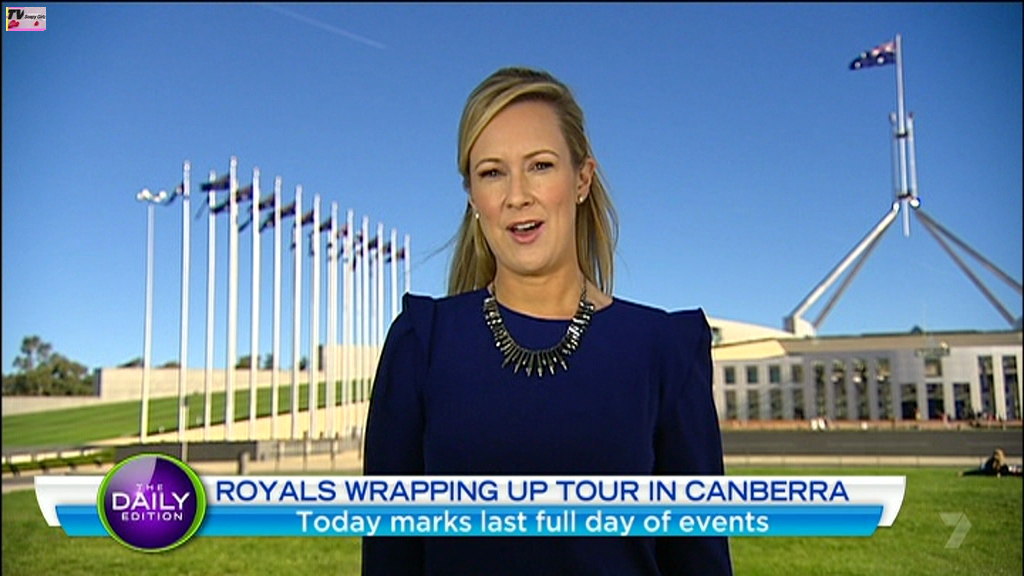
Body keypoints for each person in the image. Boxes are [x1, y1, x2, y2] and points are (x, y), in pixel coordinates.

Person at [362, 66, 732, 575]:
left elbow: (700, 562)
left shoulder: (665, 351)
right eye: (492, 172)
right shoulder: (421, 344)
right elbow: (388, 559)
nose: (517, 195)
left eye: (539, 165)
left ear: (582, 179)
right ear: (472, 197)